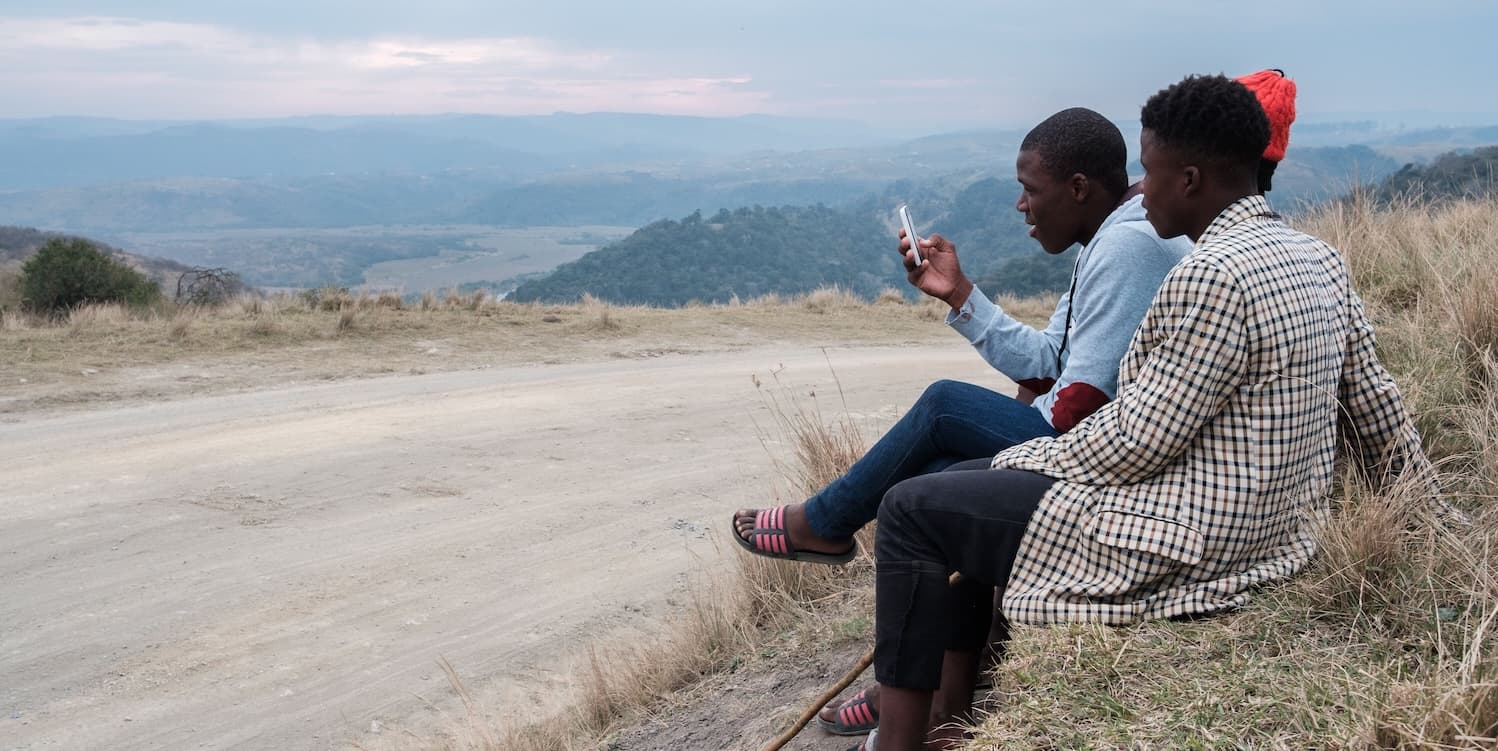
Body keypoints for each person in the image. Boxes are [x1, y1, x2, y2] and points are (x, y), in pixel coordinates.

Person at [863, 73, 1441, 751]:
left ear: (1190, 179)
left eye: (1149, 168)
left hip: (1196, 540)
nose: (1140, 185)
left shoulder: (1212, 274)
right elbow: (1378, 409)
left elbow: (1135, 442)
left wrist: (1010, 458)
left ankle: (897, 742)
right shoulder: (1318, 258)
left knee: (910, 507)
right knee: (960, 492)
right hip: (1275, 526)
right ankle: (949, 712)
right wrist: (1435, 515)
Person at [731, 107, 1192, 736]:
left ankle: (825, 524)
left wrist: (1016, 419)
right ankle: (942, 695)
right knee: (945, 484)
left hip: (1095, 456)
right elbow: (1048, 361)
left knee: (946, 405)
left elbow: (1076, 404)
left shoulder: (1128, 246)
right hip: (1091, 443)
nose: (1021, 207)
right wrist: (959, 293)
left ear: (1079, 188)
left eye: (1031, 190)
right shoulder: (1109, 237)